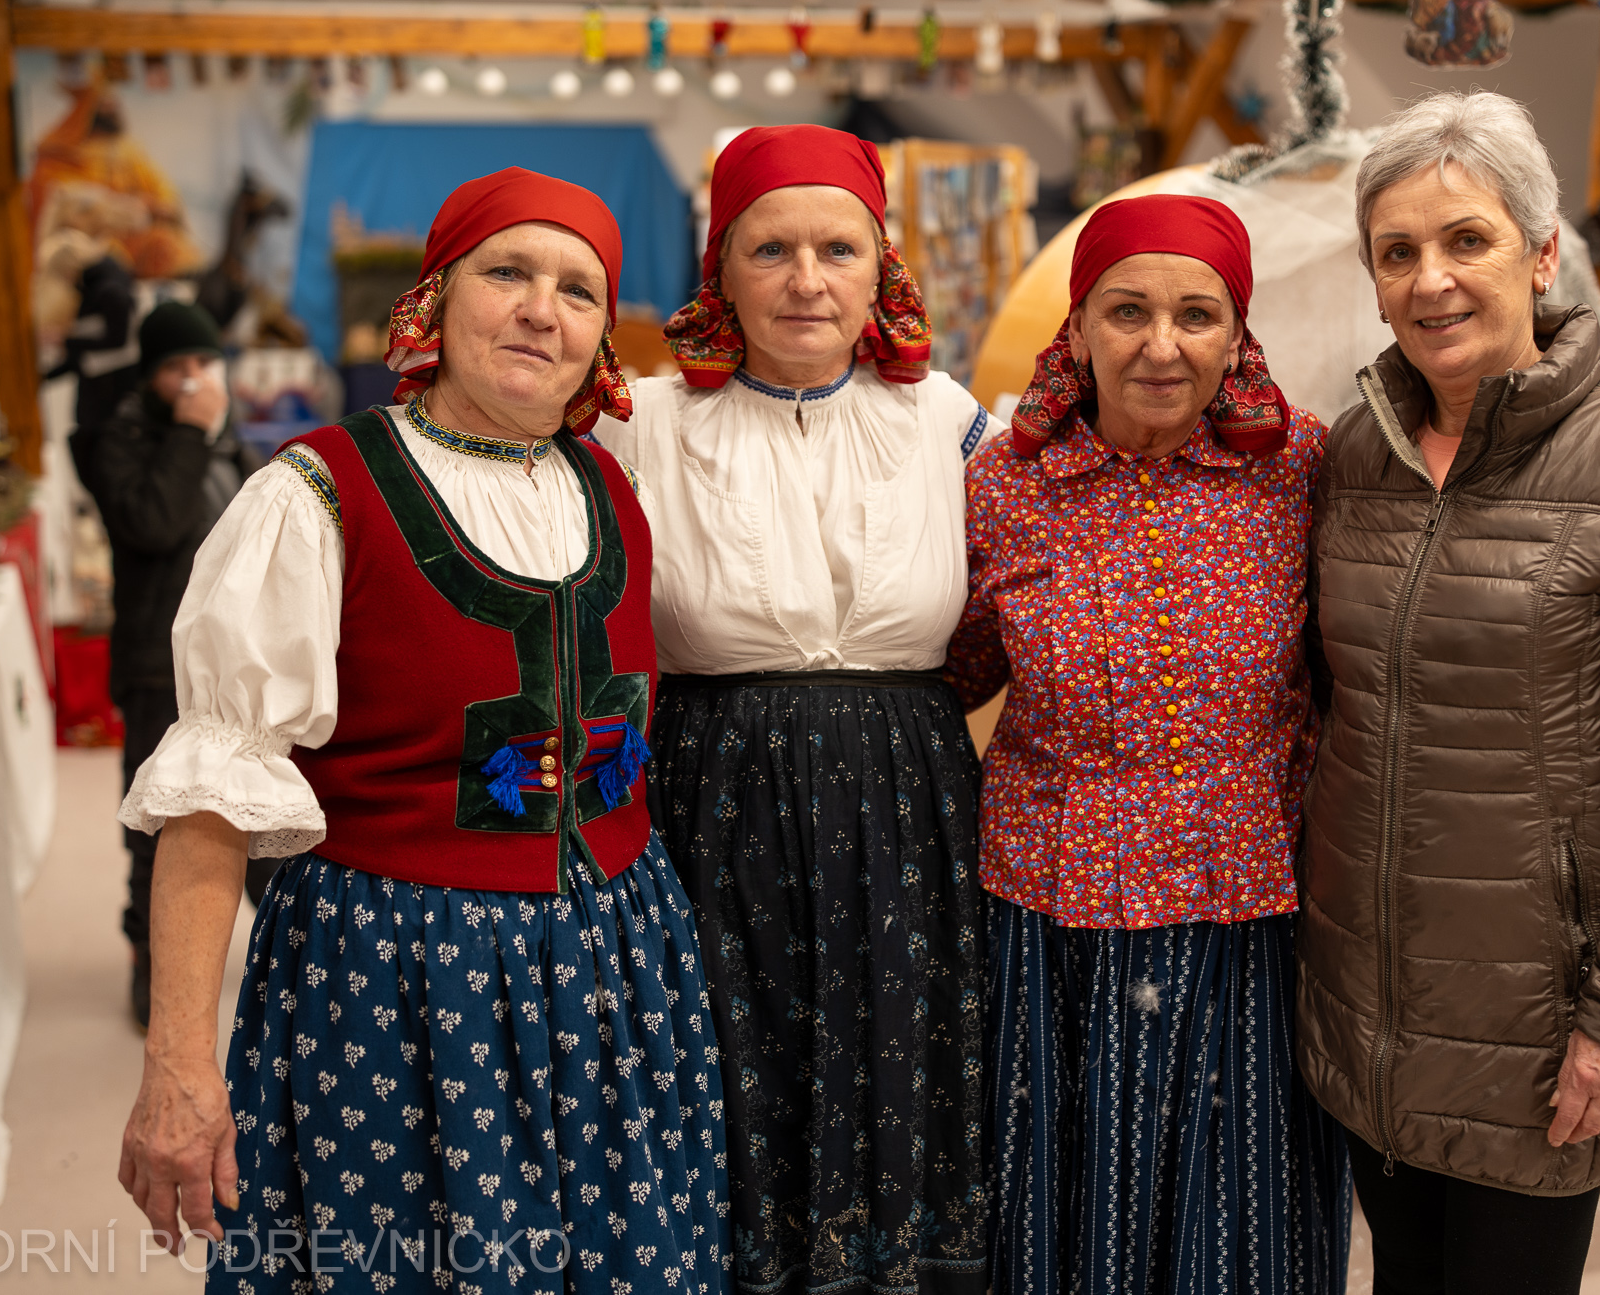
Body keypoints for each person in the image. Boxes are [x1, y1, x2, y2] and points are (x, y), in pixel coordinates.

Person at [114, 169, 729, 1292]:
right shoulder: (317, 495)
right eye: (508, 273)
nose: (541, 310)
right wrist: (178, 1066)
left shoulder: (617, 485)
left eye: (578, 290)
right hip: (398, 983)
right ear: (435, 302)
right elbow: (212, 794)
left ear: (602, 335)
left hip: (618, 973)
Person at [1299, 91, 1600, 1295]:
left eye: (1467, 240)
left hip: (1537, 1025)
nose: (1429, 280)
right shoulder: (1354, 454)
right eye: (1395, 251)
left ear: (1541, 255)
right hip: (1362, 1003)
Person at [593, 124, 998, 1295]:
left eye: (837, 250)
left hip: (912, 809)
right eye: (770, 250)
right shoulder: (639, 425)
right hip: (714, 804)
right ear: (719, 270)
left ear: (881, 270)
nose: (806, 280)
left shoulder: (945, 422)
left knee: (905, 1062)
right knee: (732, 1069)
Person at [944, 193, 1352, 1295]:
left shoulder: (1300, 470)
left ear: (1238, 335)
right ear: (1076, 329)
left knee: (1242, 1224)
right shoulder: (1005, 484)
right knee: (1067, 1206)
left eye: (1196, 315)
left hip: (1246, 913)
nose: (1161, 346)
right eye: (1126, 311)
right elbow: (954, 672)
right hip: (1051, 919)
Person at [84, 299, 274, 1026]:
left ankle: (288, 955)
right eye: (176, 366)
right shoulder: (125, 439)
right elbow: (153, 522)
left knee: (260, 809)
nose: (193, 378)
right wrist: (192, 432)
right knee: (160, 820)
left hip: (236, 661)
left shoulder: (229, 441)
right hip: (156, 662)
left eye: (204, 362)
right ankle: (154, 961)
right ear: (150, 374)